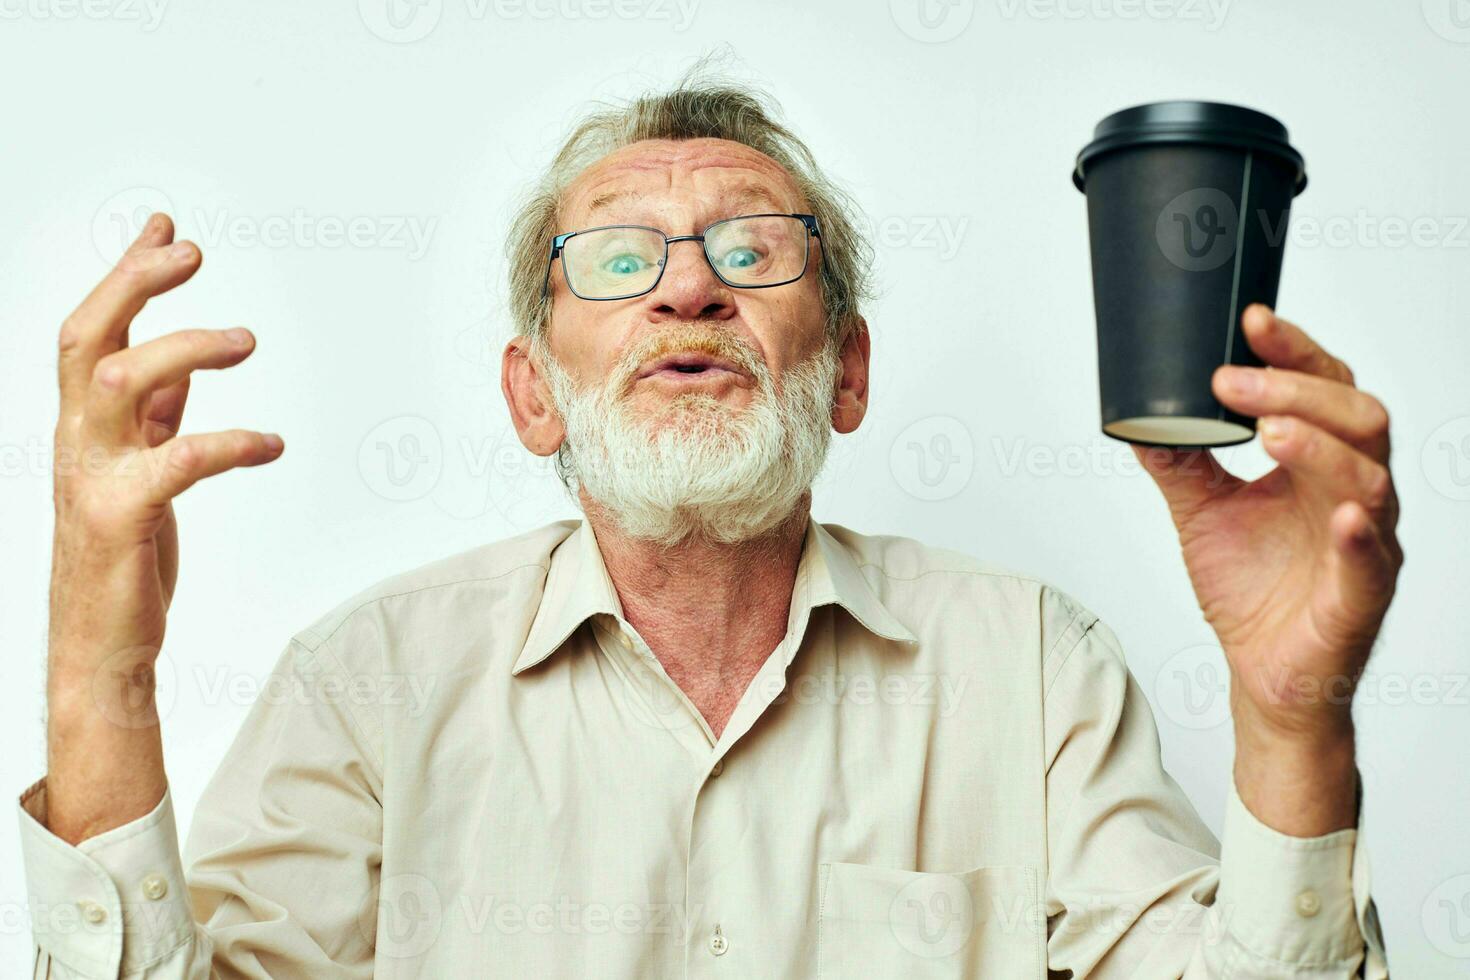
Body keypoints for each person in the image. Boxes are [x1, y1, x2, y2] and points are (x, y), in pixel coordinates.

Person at [20, 66, 1399, 978]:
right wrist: (97, 663)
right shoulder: (369, 681)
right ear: (533, 395)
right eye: (615, 259)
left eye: (751, 249)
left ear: (846, 371)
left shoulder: (1031, 664)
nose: (688, 290)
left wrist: (1294, 720)